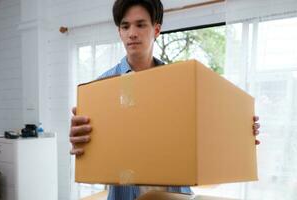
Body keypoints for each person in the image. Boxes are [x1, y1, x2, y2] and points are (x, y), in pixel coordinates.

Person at [69, 0, 261, 199]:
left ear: (156, 29)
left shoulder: (179, 82)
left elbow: (206, 129)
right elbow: (96, 152)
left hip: (174, 194)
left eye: (141, 24)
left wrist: (241, 133)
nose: (132, 33)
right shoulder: (102, 88)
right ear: (120, 32)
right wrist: (81, 142)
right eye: (125, 26)